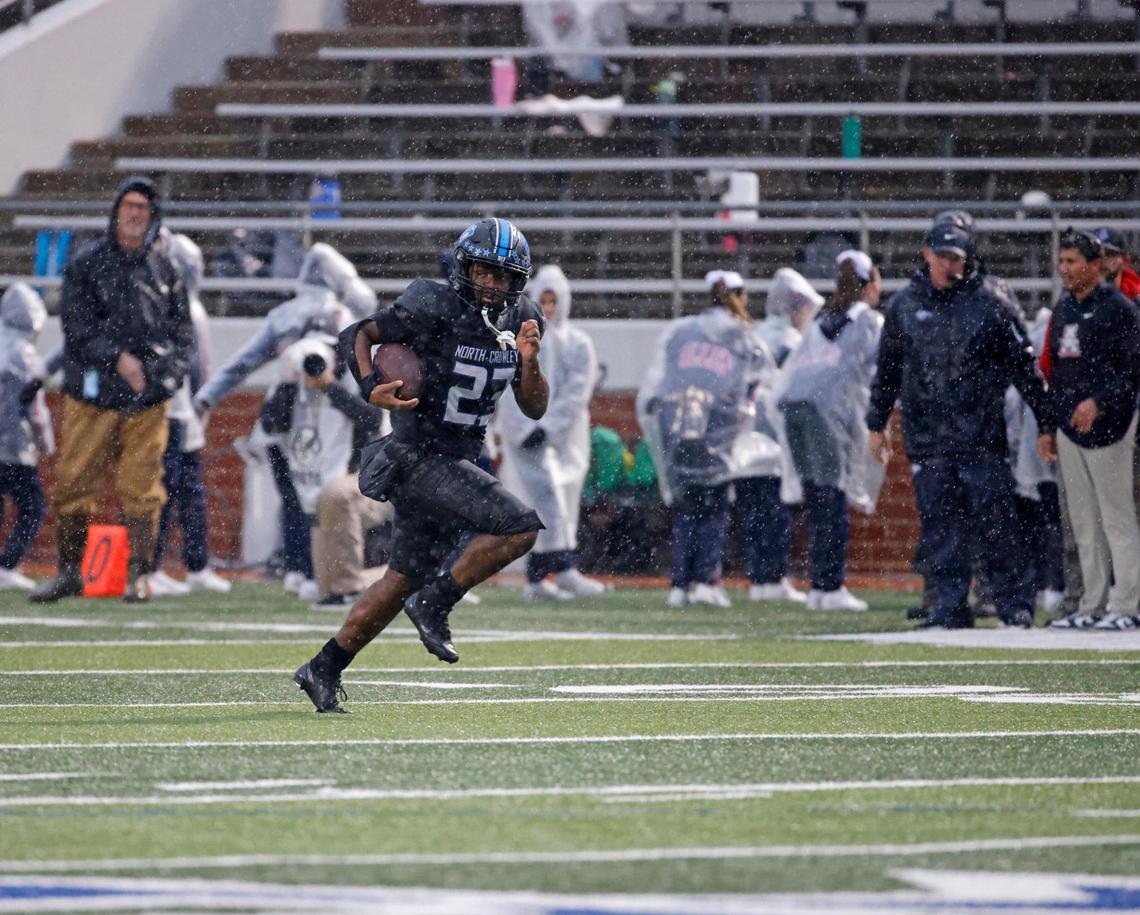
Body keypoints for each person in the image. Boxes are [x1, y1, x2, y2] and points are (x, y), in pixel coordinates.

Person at [293, 218, 548, 713]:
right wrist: (370, 387)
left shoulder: (524, 318)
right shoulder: (434, 302)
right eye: (483, 270)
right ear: (463, 265)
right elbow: (358, 334)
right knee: (520, 526)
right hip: (417, 455)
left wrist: (530, 361)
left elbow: (534, 406)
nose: (492, 283)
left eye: (503, 275)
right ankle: (438, 600)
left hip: (459, 458)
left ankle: (323, 668)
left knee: (402, 577)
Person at [867, 220, 1051, 629]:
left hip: (980, 435)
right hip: (927, 437)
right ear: (926, 253)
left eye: (956, 258)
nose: (949, 265)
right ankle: (949, 605)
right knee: (940, 529)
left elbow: (1024, 367)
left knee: (997, 526)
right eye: (943, 256)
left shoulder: (989, 303)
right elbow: (888, 371)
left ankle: (1014, 605)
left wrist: (1046, 420)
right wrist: (876, 424)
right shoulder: (903, 306)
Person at [30, 177, 194, 603]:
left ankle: (139, 574)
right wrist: (118, 358)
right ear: (116, 211)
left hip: (147, 400)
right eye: (129, 205)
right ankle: (68, 570)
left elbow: (183, 336)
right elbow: (76, 327)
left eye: (143, 207)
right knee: (73, 480)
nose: (135, 213)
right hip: (92, 394)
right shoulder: (87, 263)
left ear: (152, 216)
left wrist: (164, 378)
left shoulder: (166, 270)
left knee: (143, 487)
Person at [637, 270, 769, 608]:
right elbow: (752, 387)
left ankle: (680, 585)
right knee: (714, 512)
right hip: (718, 435)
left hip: (680, 432)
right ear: (738, 295)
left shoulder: (682, 330)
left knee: (686, 513)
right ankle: (707, 580)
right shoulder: (743, 336)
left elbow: (660, 385)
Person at [1038, 229, 1140, 631]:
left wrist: (1099, 401)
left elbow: (1132, 370)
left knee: (1117, 518)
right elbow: (1056, 374)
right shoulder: (1064, 308)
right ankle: (1091, 604)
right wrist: (1048, 424)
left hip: (1110, 426)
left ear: (1094, 265)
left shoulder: (1119, 309)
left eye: (1072, 262)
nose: (1064, 270)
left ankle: (1129, 602)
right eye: (1061, 262)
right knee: (1082, 521)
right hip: (1069, 426)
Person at [778, 250, 884, 611]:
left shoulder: (822, 320)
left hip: (797, 407)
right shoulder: (868, 321)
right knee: (833, 497)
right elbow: (876, 370)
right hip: (831, 413)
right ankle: (830, 585)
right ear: (869, 284)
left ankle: (820, 587)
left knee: (817, 498)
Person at [495, 264, 605, 601]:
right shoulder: (516, 339)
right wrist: (527, 428)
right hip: (528, 438)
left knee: (562, 505)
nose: (548, 309)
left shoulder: (578, 343)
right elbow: (509, 389)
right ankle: (562, 570)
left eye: (553, 301)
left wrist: (549, 426)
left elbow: (576, 392)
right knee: (545, 504)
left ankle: (540, 577)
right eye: (542, 300)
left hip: (566, 438)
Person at [259, 334, 386, 601]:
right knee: (324, 585)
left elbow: (371, 419)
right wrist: (289, 383)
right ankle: (385, 579)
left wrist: (330, 386)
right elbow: (272, 425)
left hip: (364, 479)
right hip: (316, 481)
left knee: (335, 495)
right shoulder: (290, 388)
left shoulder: (356, 376)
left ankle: (354, 585)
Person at [147, 230, 231, 596]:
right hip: (174, 411)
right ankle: (152, 566)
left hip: (179, 410)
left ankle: (192, 564)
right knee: (167, 490)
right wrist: (202, 404)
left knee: (186, 491)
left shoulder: (179, 304)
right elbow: (198, 367)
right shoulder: (179, 306)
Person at [0, 284, 53, 590]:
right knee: (32, 506)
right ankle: (8, 564)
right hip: (14, 444)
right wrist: (44, 443)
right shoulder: (26, 355)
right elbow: (35, 408)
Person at [1092, 227, 1140, 302]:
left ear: (1125, 261)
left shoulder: (1136, 298)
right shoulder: (1073, 297)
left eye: (1109, 253)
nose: (1102, 259)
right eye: (1095, 254)